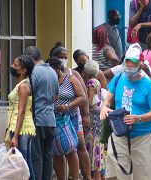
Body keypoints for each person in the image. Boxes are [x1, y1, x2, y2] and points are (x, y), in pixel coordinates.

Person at [100, 43, 151, 180]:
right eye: (127, 64)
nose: (129, 68)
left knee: (145, 175)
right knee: (116, 173)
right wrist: (104, 107)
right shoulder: (118, 78)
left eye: (132, 65)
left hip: (142, 137)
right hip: (119, 134)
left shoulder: (148, 84)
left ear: (140, 64)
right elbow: (107, 100)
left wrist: (138, 118)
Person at [50, 44, 93, 180]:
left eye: (65, 57)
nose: (63, 60)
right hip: (56, 118)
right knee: (58, 149)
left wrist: (85, 115)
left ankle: (85, 176)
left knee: (77, 146)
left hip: (73, 117)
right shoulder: (49, 75)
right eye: (60, 57)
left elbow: (83, 96)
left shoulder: (72, 75)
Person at [23, 46, 59, 180]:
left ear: (30, 58)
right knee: (48, 156)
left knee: (36, 157)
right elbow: (56, 97)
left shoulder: (33, 72)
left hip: (37, 120)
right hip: (51, 120)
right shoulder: (52, 71)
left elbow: (27, 95)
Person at [7, 55, 36, 180]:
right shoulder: (21, 84)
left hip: (23, 129)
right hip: (20, 127)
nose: (12, 67)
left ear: (23, 70)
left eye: (15, 65)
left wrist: (16, 136)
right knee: (25, 164)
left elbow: (21, 111)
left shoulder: (23, 86)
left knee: (23, 164)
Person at [83, 60, 106, 180]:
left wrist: (84, 112)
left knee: (91, 145)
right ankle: (98, 175)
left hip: (93, 119)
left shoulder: (91, 84)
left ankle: (93, 175)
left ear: (86, 71)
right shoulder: (97, 81)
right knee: (97, 146)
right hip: (98, 118)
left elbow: (88, 100)